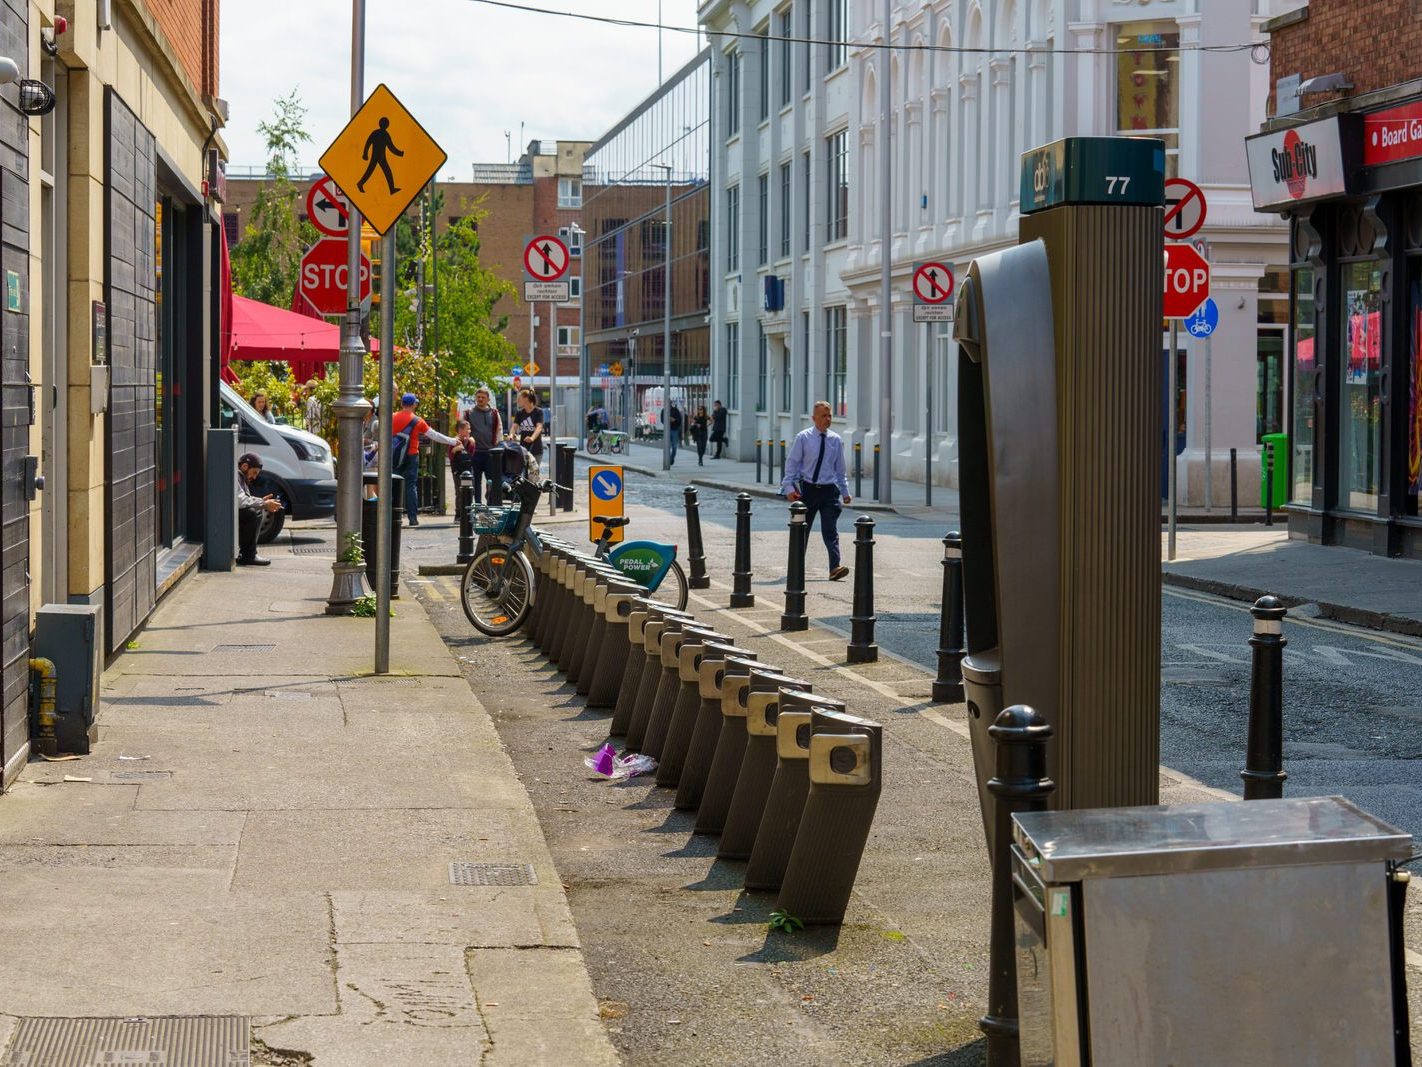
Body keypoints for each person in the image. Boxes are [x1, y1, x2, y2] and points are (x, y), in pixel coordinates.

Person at [780, 401, 852, 581]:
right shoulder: (803, 438)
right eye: (823, 416)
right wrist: (788, 487)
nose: (827, 419)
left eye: (829, 416)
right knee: (802, 530)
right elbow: (792, 464)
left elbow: (840, 469)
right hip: (808, 490)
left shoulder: (835, 440)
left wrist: (844, 491)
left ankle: (834, 567)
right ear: (814, 418)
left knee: (830, 530)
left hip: (829, 492)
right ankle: (796, 566)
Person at [392, 393, 458, 526]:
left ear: (402, 404)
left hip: (394, 455)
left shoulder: (391, 417)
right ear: (414, 405)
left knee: (393, 485)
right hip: (411, 455)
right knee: (411, 486)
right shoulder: (417, 420)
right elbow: (434, 435)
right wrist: (452, 441)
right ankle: (412, 518)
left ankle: (393, 516)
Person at [236, 452, 282, 566]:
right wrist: (263, 503)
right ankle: (248, 555)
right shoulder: (236, 476)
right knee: (252, 513)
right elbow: (239, 500)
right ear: (245, 466)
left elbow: (243, 498)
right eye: (254, 472)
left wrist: (261, 502)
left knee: (255, 511)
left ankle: (248, 554)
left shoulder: (241, 477)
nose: (255, 477)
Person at [462, 388, 502, 504]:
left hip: (491, 452)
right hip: (475, 452)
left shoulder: (494, 413)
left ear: (488, 399)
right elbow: (464, 431)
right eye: (478, 397)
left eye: (483, 397)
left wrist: (497, 446)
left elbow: (499, 430)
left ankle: (490, 504)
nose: (480, 399)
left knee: (491, 481)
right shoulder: (468, 413)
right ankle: (478, 504)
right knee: (476, 481)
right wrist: (467, 441)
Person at [510, 388, 545, 462]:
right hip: (523, 449)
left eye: (519, 398)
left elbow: (539, 427)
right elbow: (514, 427)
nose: (517, 400)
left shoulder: (538, 412)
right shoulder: (520, 413)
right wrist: (511, 435)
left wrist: (532, 438)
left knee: (533, 473)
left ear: (526, 399)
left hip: (536, 449)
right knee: (522, 472)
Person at [448, 419, 477, 484]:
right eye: (467, 429)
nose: (470, 431)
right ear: (460, 430)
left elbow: (471, 455)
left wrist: (472, 444)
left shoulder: (469, 441)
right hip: (458, 471)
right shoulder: (454, 441)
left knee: (470, 490)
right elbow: (450, 457)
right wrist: (454, 450)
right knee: (459, 491)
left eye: (470, 429)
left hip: (468, 470)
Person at [667, 401, 683, 465]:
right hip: (667, 430)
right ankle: (668, 459)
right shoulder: (664, 410)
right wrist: (667, 419)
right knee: (667, 446)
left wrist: (674, 420)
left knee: (674, 446)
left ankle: (672, 457)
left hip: (674, 430)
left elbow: (679, 419)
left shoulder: (675, 410)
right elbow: (662, 419)